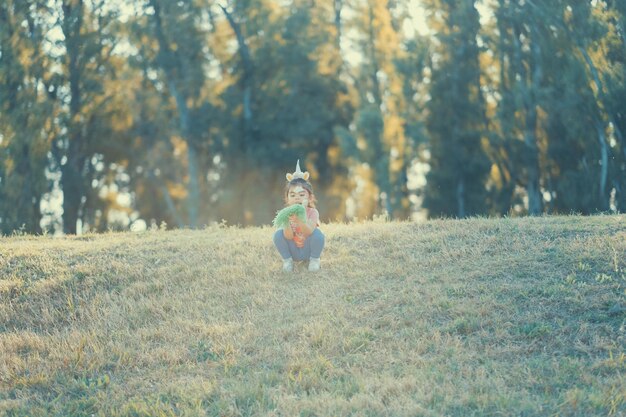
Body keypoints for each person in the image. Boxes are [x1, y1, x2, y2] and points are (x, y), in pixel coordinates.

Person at [273, 160, 325, 272]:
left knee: (318, 234)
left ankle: (314, 259)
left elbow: (309, 231)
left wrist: (300, 217)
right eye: (293, 195)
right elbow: (288, 236)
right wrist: (288, 220)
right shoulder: (287, 213)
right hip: (294, 250)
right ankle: (287, 261)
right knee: (278, 234)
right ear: (287, 199)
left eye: (302, 195)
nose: (297, 198)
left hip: (308, 249)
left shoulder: (313, 212)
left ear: (310, 198)